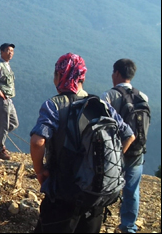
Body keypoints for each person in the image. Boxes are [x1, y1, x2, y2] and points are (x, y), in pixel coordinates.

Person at [29, 53, 135, 233]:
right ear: (81, 77)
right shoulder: (102, 105)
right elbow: (129, 135)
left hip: (62, 196)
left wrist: (39, 171)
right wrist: (106, 165)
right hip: (96, 199)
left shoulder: (54, 105)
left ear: (61, 76)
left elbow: (38, 141)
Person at [101, 59, 149, 234]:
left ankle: (97, 217)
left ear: (117, 73)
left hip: (115, 152)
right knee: (132, 189)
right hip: (137, 151)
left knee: (104, 185)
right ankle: (129, 227)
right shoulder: (143, 97)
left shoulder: (109, 96)